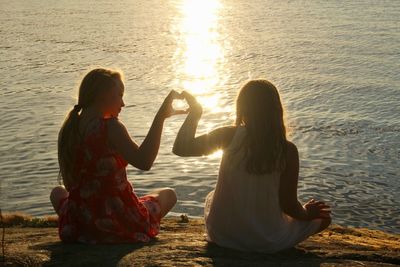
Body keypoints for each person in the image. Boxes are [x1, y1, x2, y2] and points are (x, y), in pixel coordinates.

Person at [173, 79, 332, 253]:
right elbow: (288, 205)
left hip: (223, 235)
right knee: (324, 219)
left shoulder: (229, 136)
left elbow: (181, 148)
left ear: (242, 108)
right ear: (276, 110)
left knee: (213, 195)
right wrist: (307, 212)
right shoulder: (287, 150)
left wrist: (195, 112)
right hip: (266, 242)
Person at [50, 68, 186, 243]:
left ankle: (88, 228)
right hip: (119, 220)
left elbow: (69, 184)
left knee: (57, 192)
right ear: (103, 96)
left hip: (79, 223)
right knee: (169, 194)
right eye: (119, 95)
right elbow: (145, 161)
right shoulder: (110, 127)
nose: (123, 103)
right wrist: (160, 117)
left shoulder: (68, 129)